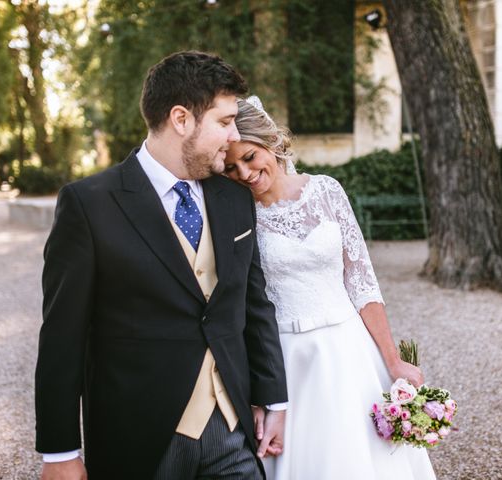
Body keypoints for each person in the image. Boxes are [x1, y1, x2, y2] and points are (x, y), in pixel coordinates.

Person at [34, 52, 288, 480]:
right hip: (139, 441)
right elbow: (62, 335)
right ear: (181, 119)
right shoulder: (89, 203)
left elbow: (253, 303)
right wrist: (59, 452)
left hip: (233, 433)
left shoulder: (233, 197)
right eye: (224, 122)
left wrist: (273, 398)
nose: (234, 136)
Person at [223, 96, 437, 480]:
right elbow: (241, 306)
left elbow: (362, 282)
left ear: (271, 143)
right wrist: (258, 392)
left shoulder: (325, 190)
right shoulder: (238, 217)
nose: (244, 173)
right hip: (288, 358)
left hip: (349, 349)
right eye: (232, 167)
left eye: (250, 157)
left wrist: (392, 360)